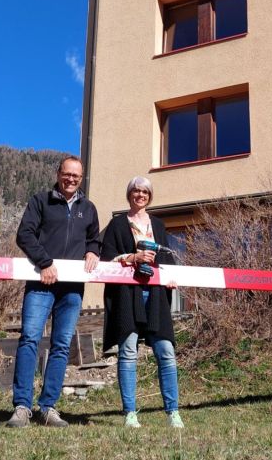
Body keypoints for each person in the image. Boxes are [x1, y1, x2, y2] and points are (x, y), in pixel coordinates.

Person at [6, 155, 100, 428]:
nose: (71, 179)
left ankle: (48, 407)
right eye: (67, 174)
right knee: (29, 339)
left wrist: (94, 250)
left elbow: (94, 238)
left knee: (61, 346)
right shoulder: (41, 200)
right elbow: (25, 234)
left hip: (72, 289)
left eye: (77, 176)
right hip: (41, 283)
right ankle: (22, 407)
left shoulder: (88, 208)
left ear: (81, 179)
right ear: (58, 173)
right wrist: (45, 263)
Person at [100, 176, 184, 428]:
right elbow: (107, 259)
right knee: (128, 353)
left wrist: (169, 276)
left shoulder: (158, 224)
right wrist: (132, 257)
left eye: (145, 192)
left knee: (166, 352)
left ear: (150, 196)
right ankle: (130, 414)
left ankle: (173, 412)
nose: (140, 195)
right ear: (129, 195)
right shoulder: (116, 224)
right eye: (135, 191)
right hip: (127, 295)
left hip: (156, 296)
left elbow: (168, 257)